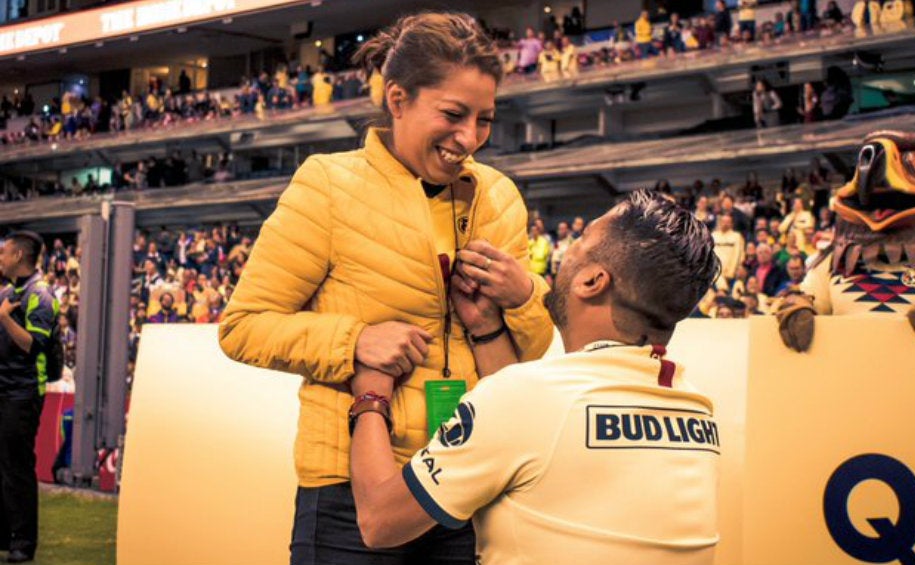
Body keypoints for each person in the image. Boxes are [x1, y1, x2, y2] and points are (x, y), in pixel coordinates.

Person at [218, 13, 553, 565]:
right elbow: (243, 326)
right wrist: (353, 342)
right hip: (348, 485)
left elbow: (527, 358)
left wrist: (525, 298)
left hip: (467, 478)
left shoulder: (499, 196)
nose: (469, 138)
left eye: (484, 119)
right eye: (452, 113)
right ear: (397, 99)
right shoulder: (326, 184)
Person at [348, 189, 722, 564]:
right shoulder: (695, 409)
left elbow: (380, 521)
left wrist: (370, 398)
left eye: (579, 243)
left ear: (592, 281)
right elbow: (532, 436)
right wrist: (486, 329)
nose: (565, 255)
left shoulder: (528, 400)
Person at [0, 231, 59, 564]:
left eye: (4, 252)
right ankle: (6, 535)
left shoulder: (42, 295)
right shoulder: (10, 292)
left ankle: (24, 541)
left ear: (20, 254)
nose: (1, 258)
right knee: (3, 465)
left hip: (23, 393)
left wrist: (5, 318)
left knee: (18, 467)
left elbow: (33, 345)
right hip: (4, 388)